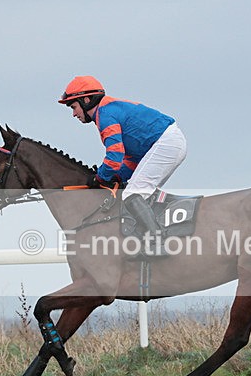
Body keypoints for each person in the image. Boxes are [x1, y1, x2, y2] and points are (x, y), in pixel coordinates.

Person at [58, 76, 187, 257]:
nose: (73, 114)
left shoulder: (105, 114)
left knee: (133, 193)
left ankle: (158, 243)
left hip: (166, 143)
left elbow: (114, 156)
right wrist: (117, 176)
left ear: (86, 100)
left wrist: (100, 178)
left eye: (73, 107)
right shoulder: (107, 111)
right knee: (137, 191)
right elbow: (131, 158)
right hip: (167, 143)